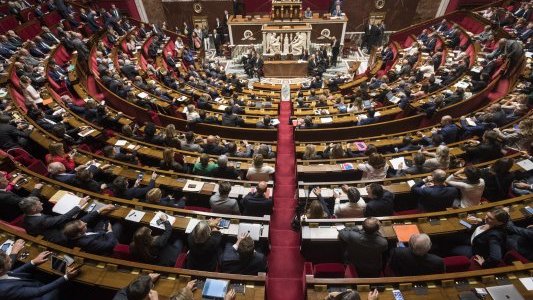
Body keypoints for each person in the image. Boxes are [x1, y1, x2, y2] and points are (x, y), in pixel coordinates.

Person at [0, 250, 80, 300]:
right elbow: (38, 292)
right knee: (59, 288)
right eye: (8, 261)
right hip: (39, 296)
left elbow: (13, 273)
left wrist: (33, 262)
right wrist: (66, 277)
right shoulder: (4, 289)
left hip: (30, 285)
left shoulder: (2, 274)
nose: (11, 259)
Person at [19, 196, 90, 243]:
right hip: (61, 237)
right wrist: (79, 205)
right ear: (34, 209)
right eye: (39, 203)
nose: (42, 203)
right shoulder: (41, 220)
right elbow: (63, 218)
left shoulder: (27, 214)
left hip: (50, 228)